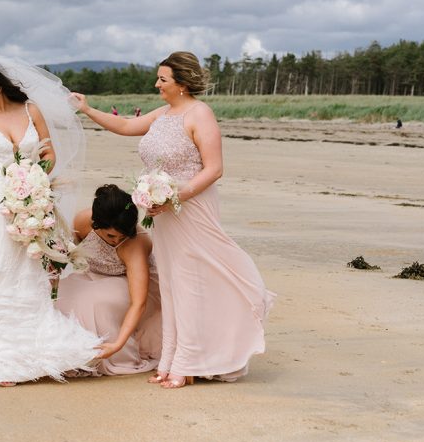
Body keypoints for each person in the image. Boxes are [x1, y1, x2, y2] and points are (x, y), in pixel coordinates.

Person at [72, 51, 274, 389]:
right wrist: (87, 109)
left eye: (163, 79)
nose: (157, 84)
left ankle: (189, 362)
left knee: (192, 283)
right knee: (171, 285)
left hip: (191, 210)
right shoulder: (164, 114)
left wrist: (175, 197)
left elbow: (214, 169)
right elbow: (124, 125)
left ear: (181, 83)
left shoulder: (200, 114)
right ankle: (171, 361)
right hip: (163, 214)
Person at [0, 51, 101, 385]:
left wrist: (36, 174)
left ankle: (33, 348)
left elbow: (49, 153)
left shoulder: (30, 110)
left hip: (34, 198)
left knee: (30, 269)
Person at [56, 184, 162, 376]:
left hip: (129, 283)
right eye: (111, 235)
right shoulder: (82, 222)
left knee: (95, 302)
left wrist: (117, 345)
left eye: (123, 234)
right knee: (59, 295)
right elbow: (67, 252)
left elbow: (139, 303)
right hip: (93, 276)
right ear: (96, 224)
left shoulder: (134, 245)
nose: (116, 240)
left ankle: (96, 353)